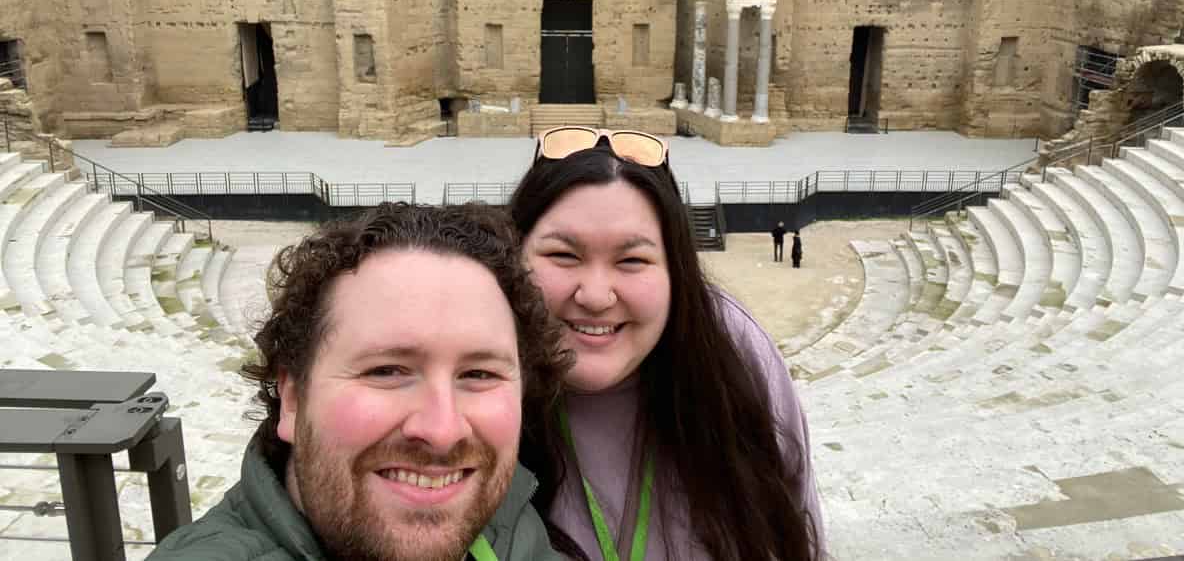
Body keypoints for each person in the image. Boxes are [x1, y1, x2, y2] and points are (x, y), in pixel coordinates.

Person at [150, 203, 572, 561]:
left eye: (479, 374)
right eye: (386, 371)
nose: (443, 432)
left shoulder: (508, 517)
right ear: (293, 398)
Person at [510, 127, 823, 561]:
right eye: (564, 255)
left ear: (675, 269)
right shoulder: (463, 380)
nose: (596, 296)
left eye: (632, 260)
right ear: (513, 257)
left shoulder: (735, 350)